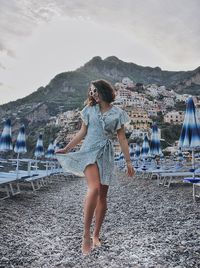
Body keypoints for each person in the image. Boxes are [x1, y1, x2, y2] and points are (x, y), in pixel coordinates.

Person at [56, 79, 135, 255]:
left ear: (103, 91)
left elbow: (122, 138)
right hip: (88, 152)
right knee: (94, 188)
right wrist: (67, 148)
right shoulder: (88, 110)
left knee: (103, 196)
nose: (92, 94)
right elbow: (82, 133)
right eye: (90, 91)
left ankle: (96, 234)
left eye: (95, 90)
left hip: (106, 154)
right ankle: (85, 235)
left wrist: (128, 161)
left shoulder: (118, 113)